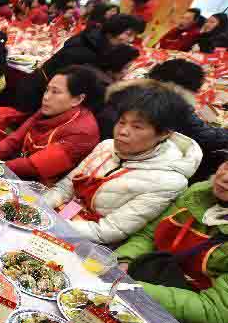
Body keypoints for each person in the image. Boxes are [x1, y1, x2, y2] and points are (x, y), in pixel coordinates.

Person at [44, 87, 202, 244]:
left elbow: (108, 231)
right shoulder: (106, 146)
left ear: (164, 133)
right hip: (60, 219)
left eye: (137, 127)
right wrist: (41, 210)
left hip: (89, 242)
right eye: (121, 122)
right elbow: (64, 189)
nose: (123, 131)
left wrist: (52, 225)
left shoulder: (168, 182)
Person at [115, 159, 228, 323]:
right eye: (226, 165)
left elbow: (214, 309)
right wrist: (124, 260)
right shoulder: (198, 195)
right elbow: (148, 235)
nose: (225, 177)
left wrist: (137, 290)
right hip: (140, 280)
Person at [99, 60, 228, 181]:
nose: (123, 131)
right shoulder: (169, 105)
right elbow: (205, 136)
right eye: (122, 122)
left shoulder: (131, 90)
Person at [8, 15, 145, 113]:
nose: (130, 40)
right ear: (114, 30)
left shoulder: (95, 40)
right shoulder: (86, 50)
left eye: (134, 36)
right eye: (128, 34)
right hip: (39, 92)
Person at [0, 66, 103, 185]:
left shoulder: (83, 133)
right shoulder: (52, 109)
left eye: (55, 92)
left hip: (40, 187)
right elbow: (15, 139)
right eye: (47, 90)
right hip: (16, 169)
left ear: (77, 99)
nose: (46, 97)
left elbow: (34, 167)